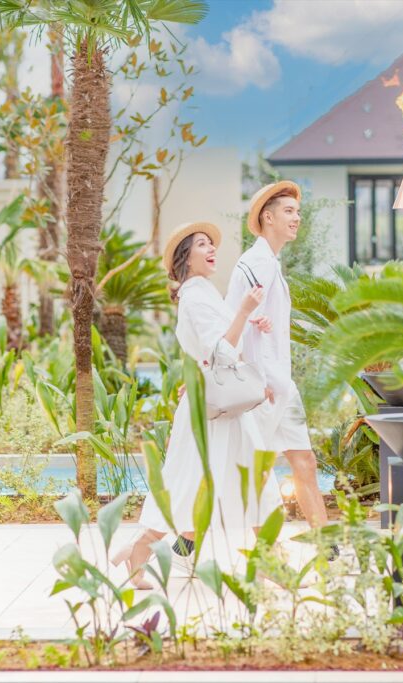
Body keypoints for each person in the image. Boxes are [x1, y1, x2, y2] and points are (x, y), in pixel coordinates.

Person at [112, 221, 283, 589]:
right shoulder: (193, 297)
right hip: (212, 411)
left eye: (211, 244)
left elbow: (220, 343)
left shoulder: (204, 291)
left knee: (254, 477)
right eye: (202, 244)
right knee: (188, 485)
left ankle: (269, 559)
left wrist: (251, 321)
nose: (212, 249)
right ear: (185, 258)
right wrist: (244, 311)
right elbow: (219, 353)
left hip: (223, 407)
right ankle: (138, 550)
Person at [224, 181, 331, 541]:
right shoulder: (255, 264)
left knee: (305, 462)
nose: (296, 218)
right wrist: (256, 379)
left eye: (297, 212)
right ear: (267, 218)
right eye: (288, 211)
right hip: (263, 387)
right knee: (259, 469)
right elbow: (233, 320)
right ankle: (264, 553)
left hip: (282, 385)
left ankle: (326, 547)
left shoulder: (270, 262)